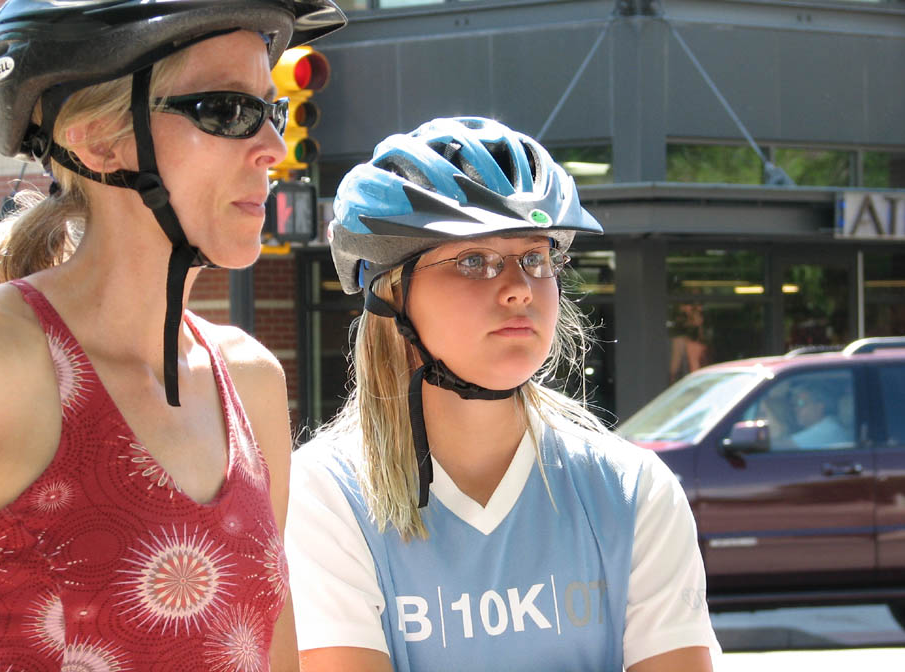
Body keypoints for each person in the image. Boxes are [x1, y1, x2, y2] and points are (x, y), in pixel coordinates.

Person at [0, 0, 344, 670]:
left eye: (270, 111)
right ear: (98, 143)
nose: (272, 148)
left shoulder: (251, 379)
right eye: (227, 110)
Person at [285, 117, 720, 671]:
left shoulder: (632, 491)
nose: (518, 288)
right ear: (391, 294)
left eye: (535, 258)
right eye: (473, 261)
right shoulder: (326, 496)